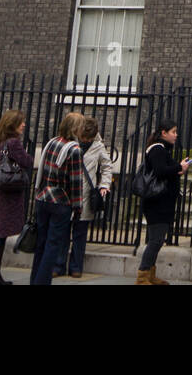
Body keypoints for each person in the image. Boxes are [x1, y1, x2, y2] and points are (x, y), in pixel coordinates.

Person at [135, 118, 192, 285]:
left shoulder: (162, 150)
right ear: (163, 133)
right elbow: (160, 171)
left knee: (157, 240)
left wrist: (178, 169)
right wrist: (179, 167)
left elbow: (164, 171)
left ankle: (150, 274)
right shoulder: (157, 149)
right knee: (155, 240)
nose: (176, 135)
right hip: (157, 204)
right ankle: (142, 277)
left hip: (162, 203)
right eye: (173, 132)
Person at [30, 111, 87, 286]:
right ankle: (42, 282)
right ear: (77, 129)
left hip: (42, 197)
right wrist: (78, 207)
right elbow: (76, 181)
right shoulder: (74, 149)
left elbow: (42, 170)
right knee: (53, 245)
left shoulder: (52, 142)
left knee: (41, 243)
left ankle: (35, 280)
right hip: (61, 200)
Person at [0, 109, 33, 286]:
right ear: (12, 124)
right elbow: (27, 161)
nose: (23, 125)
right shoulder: (13, 143)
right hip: (7, 194)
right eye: (21, 122)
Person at [63, 116, 112, 278]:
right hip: (67, 193)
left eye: (88, 138)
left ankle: (76, 267)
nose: (85, 139)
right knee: (62, 232)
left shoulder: (98, 147)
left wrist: (104, 185)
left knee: (80, 233)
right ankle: (58, 265)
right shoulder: (69, 142)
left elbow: (106, 166)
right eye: (83, 136)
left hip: (85, 194)